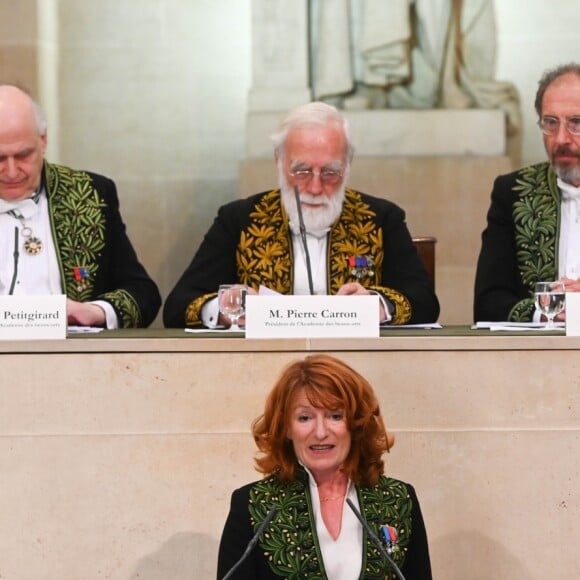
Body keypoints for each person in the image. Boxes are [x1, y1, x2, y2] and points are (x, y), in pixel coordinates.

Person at [163, 101, 439, 328]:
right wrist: (223, 307)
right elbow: (177, 307)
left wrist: (377, 304)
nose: (316, 187)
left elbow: (425, 302)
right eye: (302, 171)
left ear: (348, 165)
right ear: (278, 162)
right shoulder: (239, 220)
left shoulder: (381, 218)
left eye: (330, 172)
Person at [216, 354, 433, 580]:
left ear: (356, 424)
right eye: (304, 418)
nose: (320, 432)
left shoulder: (398, 500)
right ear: (286, 428)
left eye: (335, 416)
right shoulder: (253, 505)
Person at [0, 84, 161, 327]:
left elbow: (142, 293)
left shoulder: (90, 195)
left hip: (71, 358)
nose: (11, 171)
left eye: (23, 155)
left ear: (43, 141)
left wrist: (95, 311)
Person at [474, 63, 580, 322]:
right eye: (551, 123)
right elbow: (488, 302)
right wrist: (546, 312)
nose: (561, 139)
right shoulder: (514, 192)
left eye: (576, 123)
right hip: (535, 356)